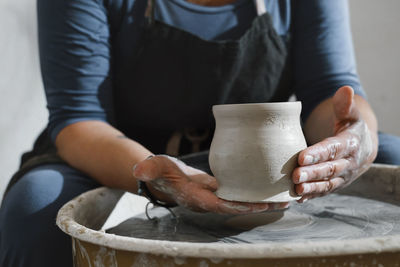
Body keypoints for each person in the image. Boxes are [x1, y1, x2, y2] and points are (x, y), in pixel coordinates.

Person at [1, 0, 400, 266]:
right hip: (120, 155)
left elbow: (330, 90)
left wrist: (353, 135)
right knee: (36, 208)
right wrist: (156, 179)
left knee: (388, 156)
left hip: (270, 161)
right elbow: (79, 118)